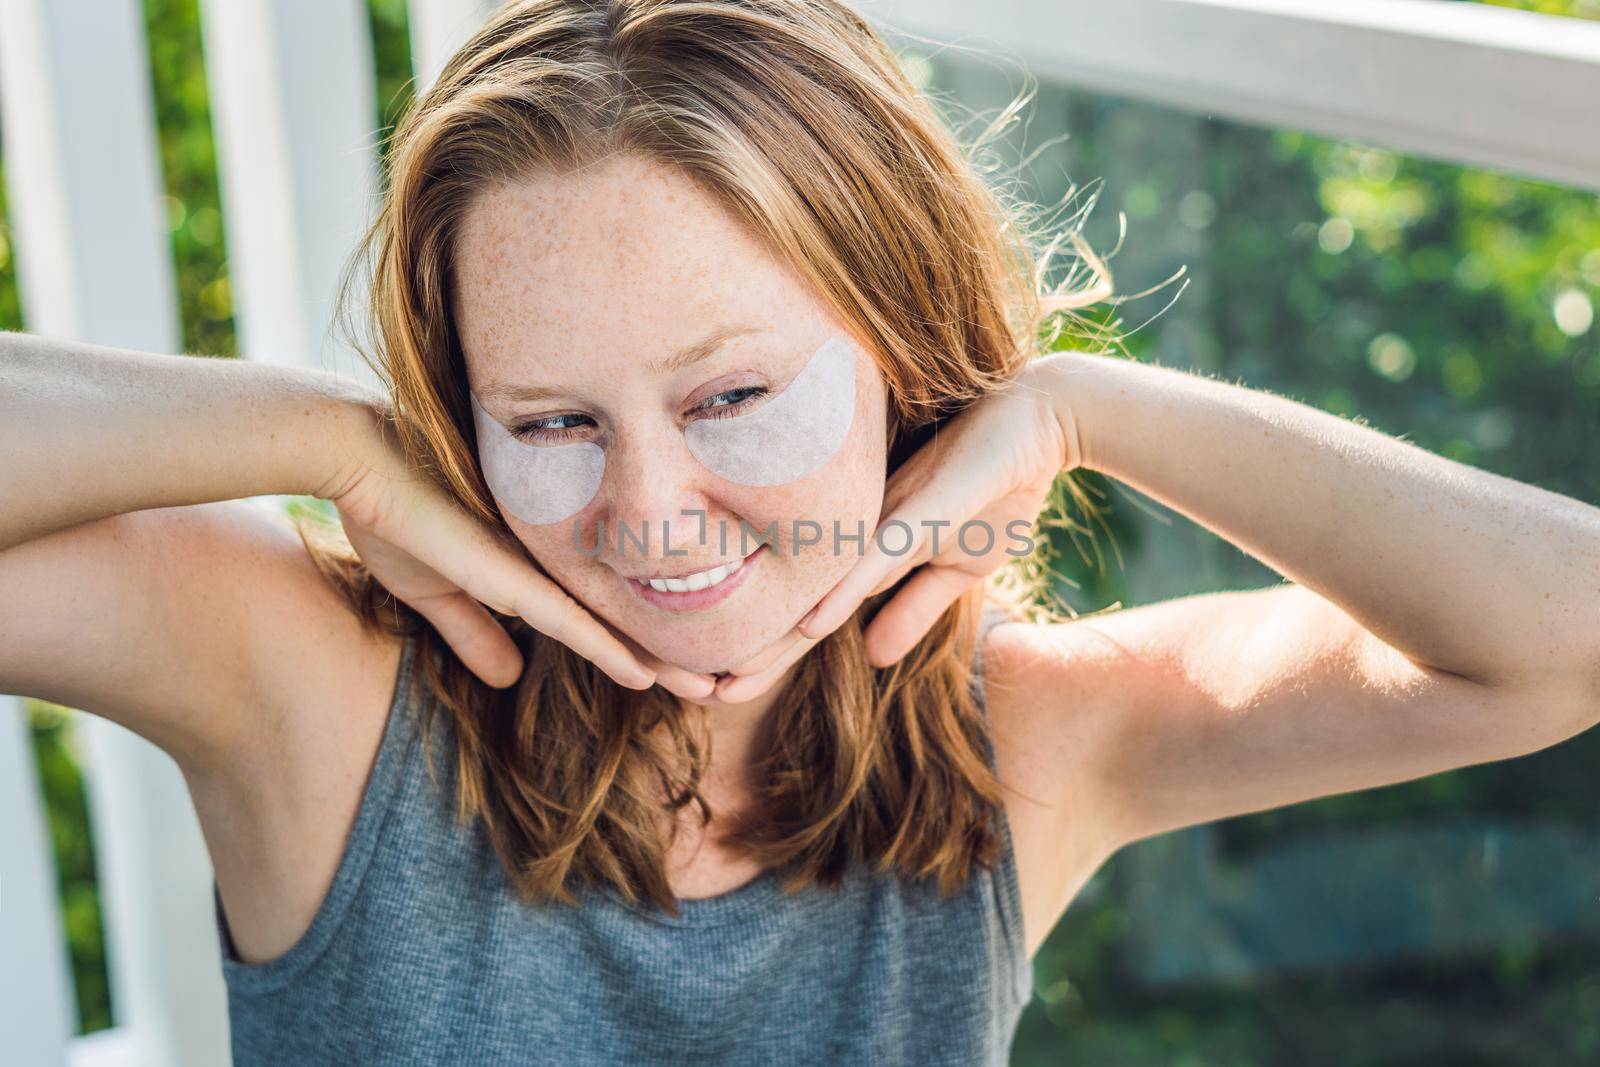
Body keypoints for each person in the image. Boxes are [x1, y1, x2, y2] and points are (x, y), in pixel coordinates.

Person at [4, 0, 1597, 1064]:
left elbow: (1560, 636)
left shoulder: (1027, 742)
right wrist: (316, 435)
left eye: (731, 397)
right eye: (552, 421)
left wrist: (1090, 410)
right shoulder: (319, 691)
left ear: (905, 356)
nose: (648, 512)